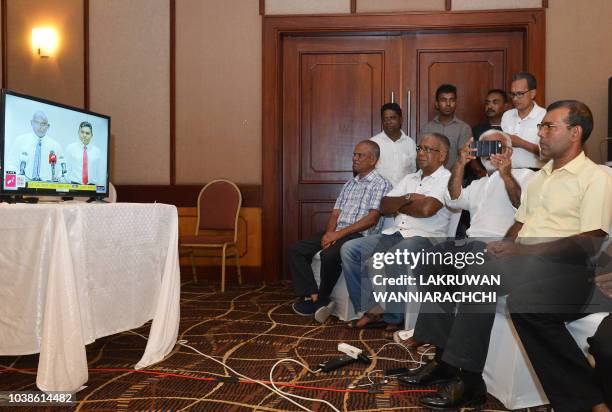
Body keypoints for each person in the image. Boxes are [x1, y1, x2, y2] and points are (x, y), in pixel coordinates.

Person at [401, 100, 611, 410]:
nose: (540, 133)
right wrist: (507, 245)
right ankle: (447, 362)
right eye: (540, 127)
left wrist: (523, 249)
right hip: (527, 261)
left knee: (480, 274)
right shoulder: (542, 178)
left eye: (548, 126)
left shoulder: (596, 177)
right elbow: (521, 223)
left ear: (575, 132)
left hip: (567, 268)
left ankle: (468, 380)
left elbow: (592, 239)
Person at [394, 129, 533, 350]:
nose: (490, 154)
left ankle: (437, 337)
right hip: (470, 245)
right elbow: (453, 200)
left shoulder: (527, 176)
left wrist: (506, 174)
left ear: (509, 151)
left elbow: (523, 207)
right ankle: (434, 336)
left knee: (446, 261)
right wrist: (460, 163)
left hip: (499, 248)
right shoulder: (478, 184)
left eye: (496, 147)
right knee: (429, 261)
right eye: (484, 148)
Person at [338, 133, 452, 328]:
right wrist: (408, 198)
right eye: (419, 148)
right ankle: (372, 309)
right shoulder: (410, 178)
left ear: (442, 155)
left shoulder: (447, 179)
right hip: (397, 234)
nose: (421, 153)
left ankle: (394, 318)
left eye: (427, 149)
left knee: (396, 254)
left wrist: (399, 205)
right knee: (349, 249)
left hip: (427, 239)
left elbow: (427, 210)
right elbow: (384, 206)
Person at [289, 140, 391, 322]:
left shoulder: (381, 184)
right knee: (296, 250)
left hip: (360, 235)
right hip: (339, 232)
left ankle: (321, 299)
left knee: (329, 255)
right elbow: (335, 214)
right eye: (354, 154)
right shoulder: (349, 184)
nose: (355, 158)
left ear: (373, 159)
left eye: (360, 155)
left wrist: (337, 235)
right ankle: (311, 294)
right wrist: (330, 234)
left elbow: (372, 219)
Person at [501, 72, 546, 169]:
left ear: (533, 93)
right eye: (512, 94)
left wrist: (522, 143)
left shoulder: (545, 116)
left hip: (535, 173)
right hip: (509, 173)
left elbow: (551, 153)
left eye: (520, 94)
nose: (515, 99)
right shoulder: (507, 115)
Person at [420, 84, 471, 169]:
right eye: (443, 100)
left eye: (452, 100)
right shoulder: (427, 128)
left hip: (454, 178)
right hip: (430, 178)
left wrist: (448, 176)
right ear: (437, 104)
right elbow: (421, 154)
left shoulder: (464, 128)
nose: (448, 104)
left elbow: (463, 157)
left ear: (456, 103)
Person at [6, 111, 63, 182]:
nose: (40, 127)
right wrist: (20, 178)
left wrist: (57, 179)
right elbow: (10, 164)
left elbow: (61, 171)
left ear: (48, 126)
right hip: (23, 187)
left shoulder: (55, 146)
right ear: (32, 123)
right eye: (37, 123)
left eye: (43, 124)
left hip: (47, 188)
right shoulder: (20, 141)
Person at [370, 102, 416, 188]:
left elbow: (414, 171)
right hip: (379, 195)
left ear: (401, 119)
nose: (388, 122)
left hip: (404, 196)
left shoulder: (410, 143)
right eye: (385, 119)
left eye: (392, 118)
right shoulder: (373, 143)